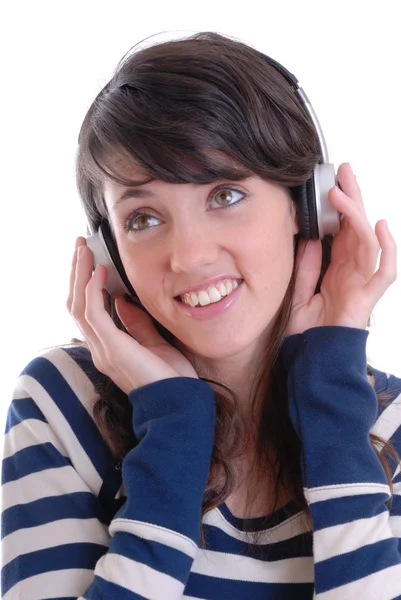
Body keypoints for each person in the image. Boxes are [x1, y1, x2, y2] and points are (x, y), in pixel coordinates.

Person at [1, 31, 400, 600]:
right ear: (108, 254)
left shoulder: (390, 424)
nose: (188, 256)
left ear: (306, 206)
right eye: (142, 218)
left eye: (224, 195)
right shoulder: (62, 405)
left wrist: (330, 401)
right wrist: (175, 429)